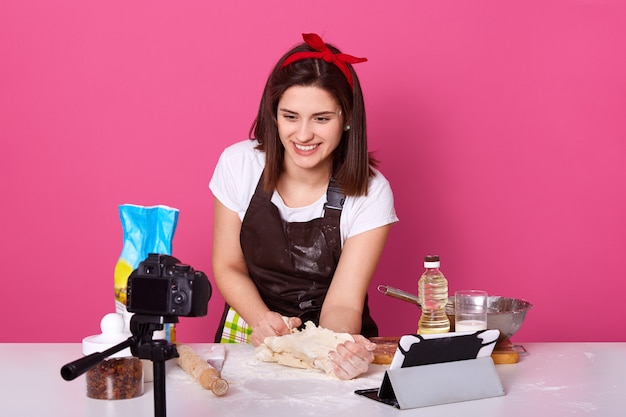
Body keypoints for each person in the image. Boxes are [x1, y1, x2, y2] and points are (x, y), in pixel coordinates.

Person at [209, 33, 398, 379]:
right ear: (274, 115)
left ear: (347, 118)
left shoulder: (371, 193)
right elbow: (228, 265)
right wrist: (261, 320)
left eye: (322, 118)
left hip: (334, 337)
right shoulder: (239, 165)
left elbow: (343, 302)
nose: (304, 134)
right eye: (291, 116)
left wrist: (332, 349)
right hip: (253, 327)